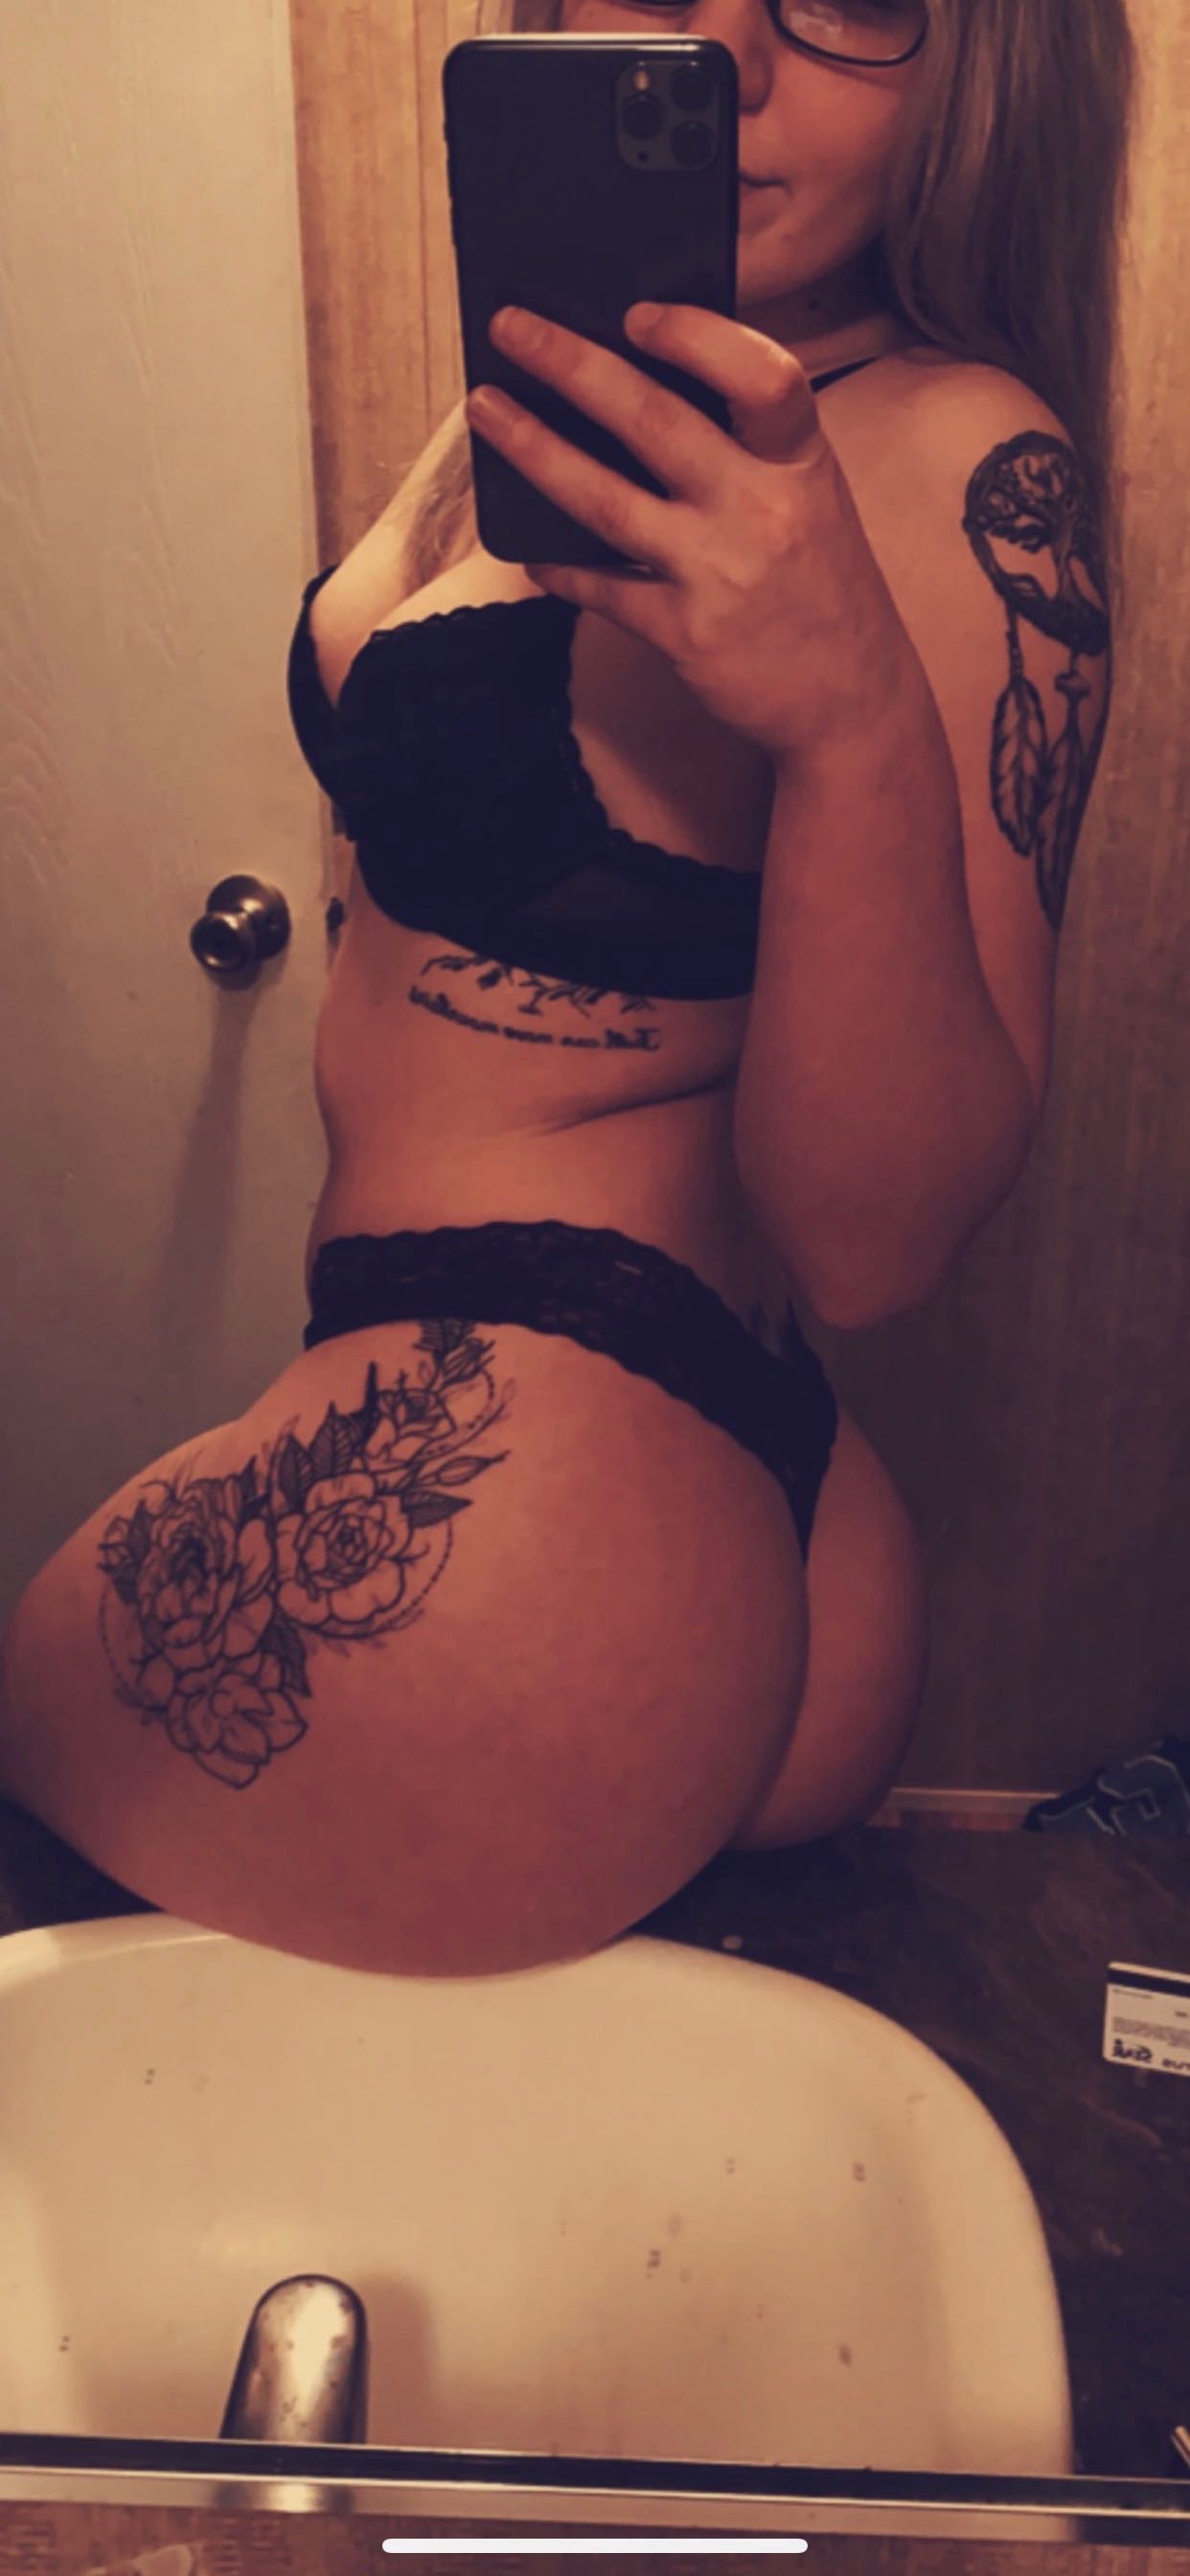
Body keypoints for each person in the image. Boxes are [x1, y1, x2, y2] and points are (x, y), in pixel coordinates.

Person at [0, 0, 1130, 1977]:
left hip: (535, 1510)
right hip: (610, 1496)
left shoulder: (956, 452)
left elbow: (875, 1243)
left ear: (985, 65)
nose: (724, 51)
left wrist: (851, 717)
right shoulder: (559, 384)